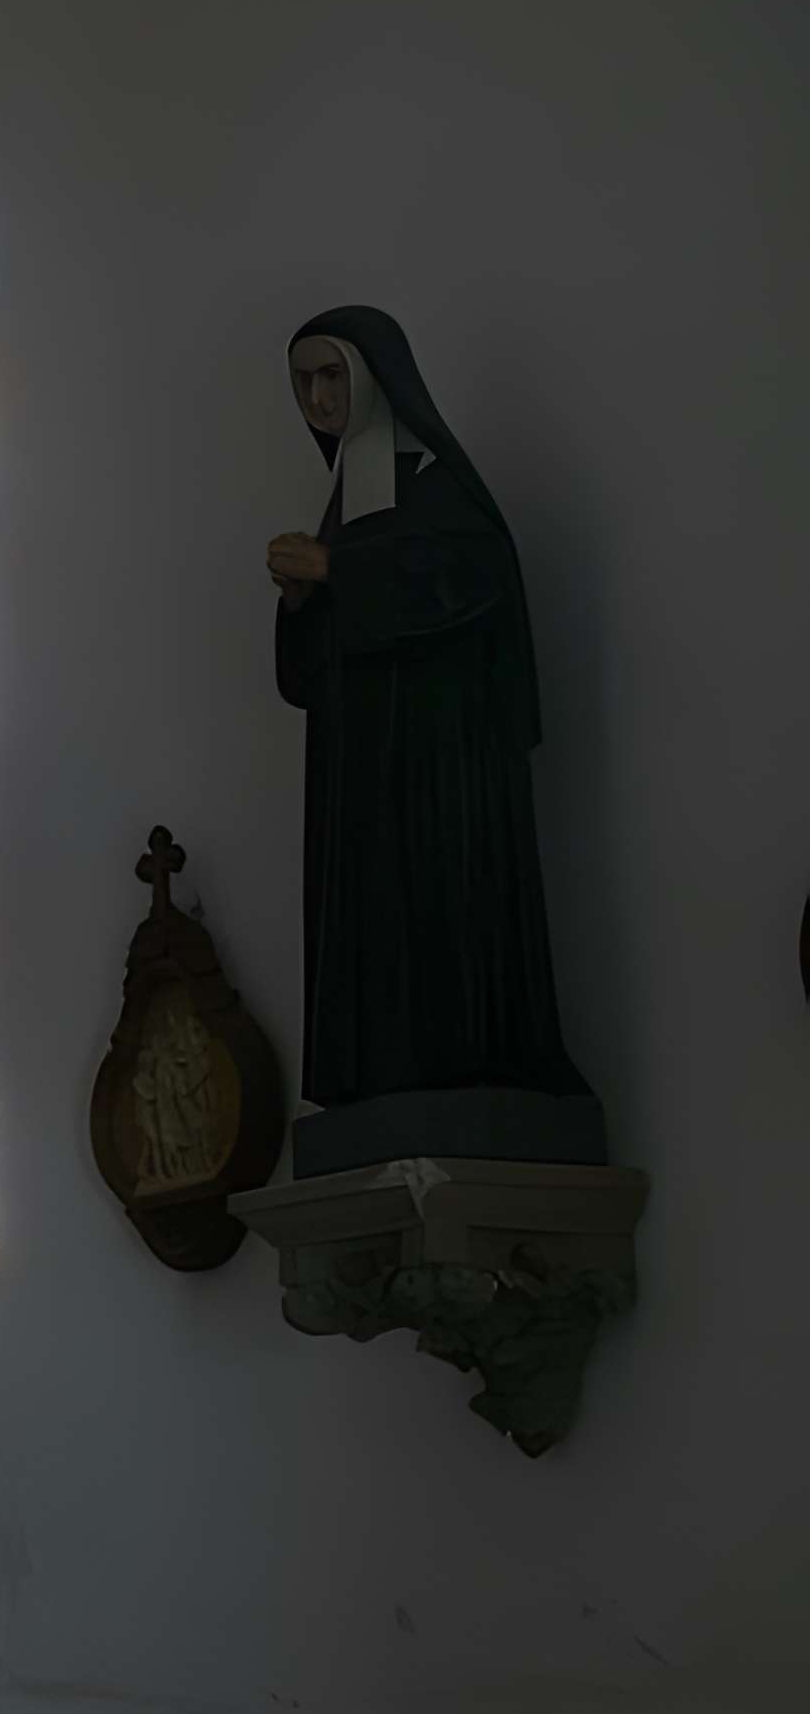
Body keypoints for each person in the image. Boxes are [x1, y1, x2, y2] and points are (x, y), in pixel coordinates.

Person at [268, 308, 592, 1136]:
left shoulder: (436, 482)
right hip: (360, 767)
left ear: (376, 376)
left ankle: (461, 1061)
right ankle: (381, 1071)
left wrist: (339, 569)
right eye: (305, 382)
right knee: (373, 911)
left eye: (333, 375)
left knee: (443, 902)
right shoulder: (344, 501)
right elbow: (310, 676)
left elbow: (476, 577)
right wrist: (303, 602)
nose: (319, 397)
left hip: (441, 752)